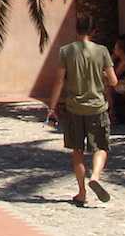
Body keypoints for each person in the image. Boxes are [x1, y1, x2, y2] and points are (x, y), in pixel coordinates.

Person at [46, 15, 117, 206]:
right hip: (97, 107)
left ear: (76, 30)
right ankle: (95, 176)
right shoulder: (102, 51)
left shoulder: (66, 51)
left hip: (74, 108)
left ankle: (82, 192)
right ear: (94, 32)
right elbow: (114, 81)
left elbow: (59, 80)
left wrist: (51, 108)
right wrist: (101, 76)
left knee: (77, 150)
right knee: (101, 147)